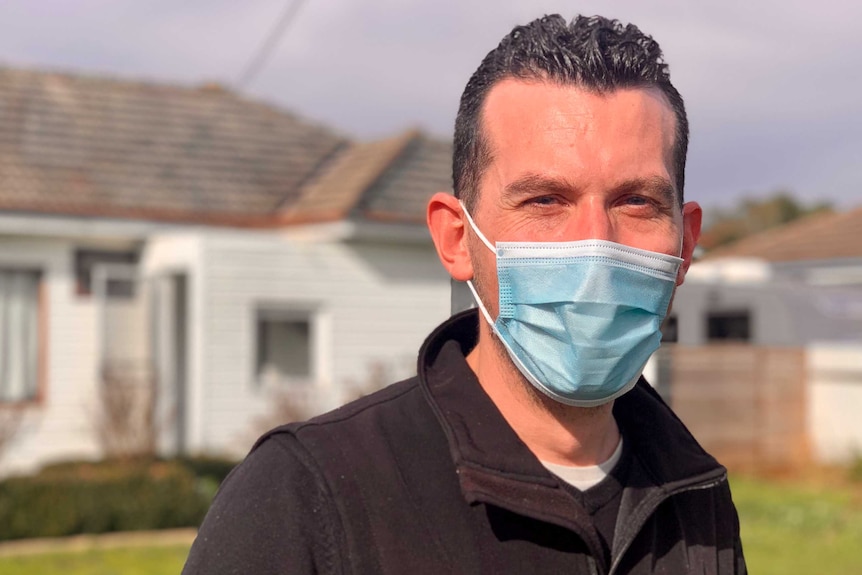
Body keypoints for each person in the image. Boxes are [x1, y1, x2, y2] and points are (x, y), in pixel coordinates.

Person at [183, 14, 746, 574]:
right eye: (545, 201)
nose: (594, 248)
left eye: (636, 202)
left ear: (686, 244)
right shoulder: (307, 496)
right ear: (456, 239)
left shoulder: (694, 492)